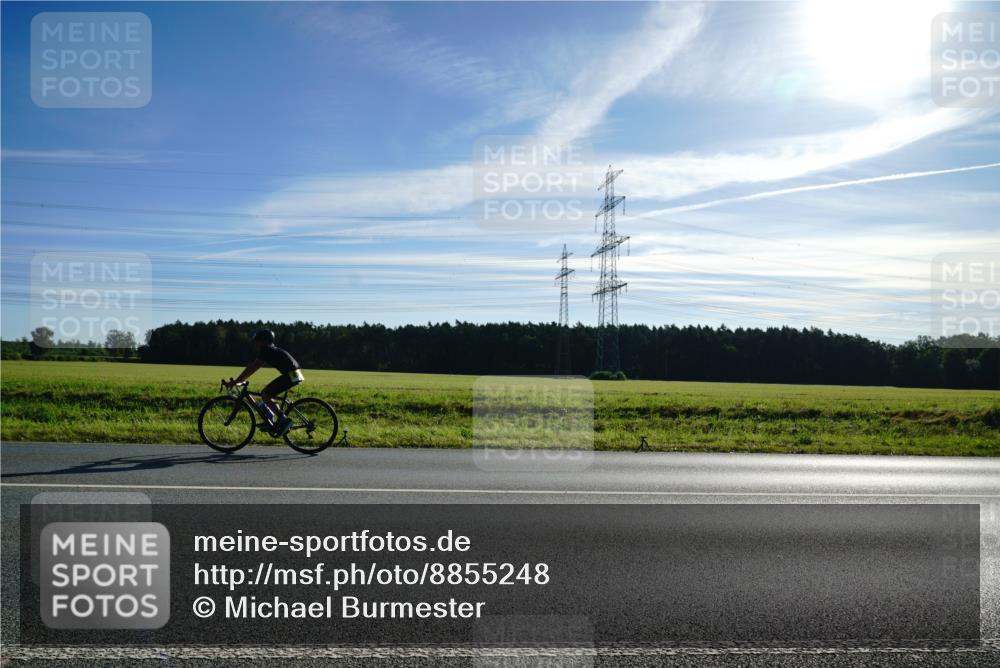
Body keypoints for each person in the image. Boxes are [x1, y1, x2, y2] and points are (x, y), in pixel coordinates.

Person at [225, 330, 304, 435]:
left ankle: (283, 419)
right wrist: (240, 380)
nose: (256, 343)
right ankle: (271, 420)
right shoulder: (271, 349)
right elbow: (252, 366)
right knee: (267, 396)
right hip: (295, 374)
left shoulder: (266, 350)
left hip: (291, 375)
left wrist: (236, 381)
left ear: (265, 341)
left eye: (258, 340)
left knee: (265, 394)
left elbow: (253, 367)